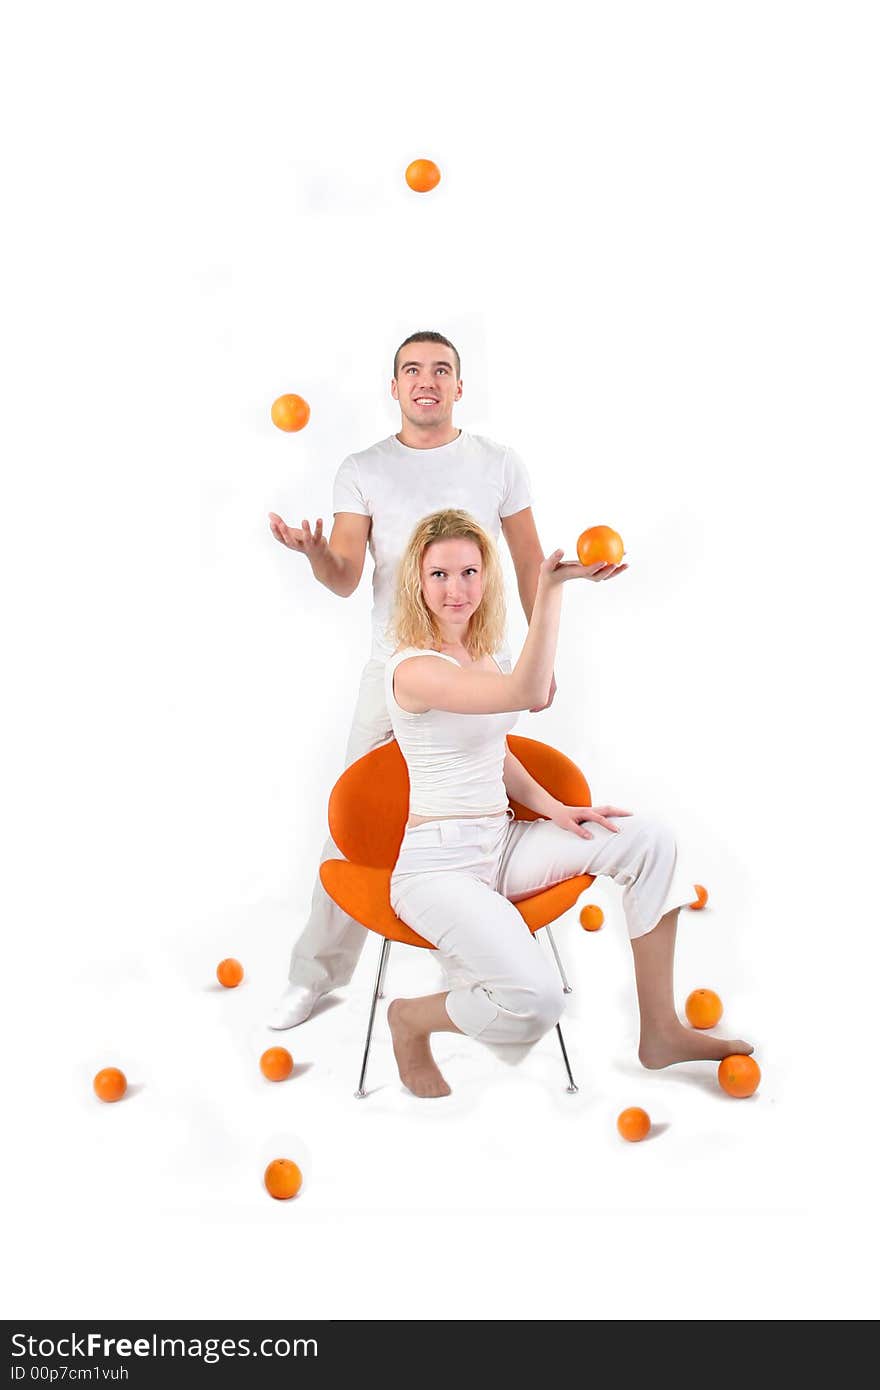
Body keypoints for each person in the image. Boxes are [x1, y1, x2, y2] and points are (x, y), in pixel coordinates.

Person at [384, 509, 754, 1097]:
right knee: (538, 999)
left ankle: (660, 1031)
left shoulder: (482, 656)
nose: (456, 589)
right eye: (439, 575)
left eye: (469, 572)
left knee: (649, 838)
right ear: (417, 581)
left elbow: (493, 749)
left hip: (501, 845)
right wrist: (551, 588)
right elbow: (530, 694)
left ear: (486, 577)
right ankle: (410, 1018)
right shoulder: (413, 668)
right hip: (436, 868)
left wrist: (554, 808)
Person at [267, 331, 555, 1029]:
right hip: (395, 673)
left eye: (442, 370)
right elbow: (342, 577)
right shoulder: (363, 468)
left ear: (460, 387)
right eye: (412, 371)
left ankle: (486, 964)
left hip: (477, 665)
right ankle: (316, 976)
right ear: (393, 388)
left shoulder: (498, 463)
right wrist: (313, 554)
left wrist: (540, 655)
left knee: (490, 804)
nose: (427, 381)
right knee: (354, 823)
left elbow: (527, 564)